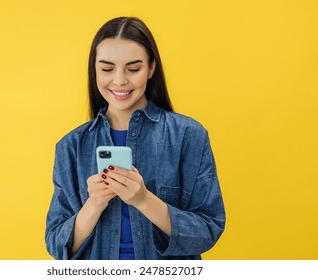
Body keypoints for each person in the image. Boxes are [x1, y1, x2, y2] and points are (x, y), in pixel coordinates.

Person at [45, 17, 225, 260]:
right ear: (94, 70)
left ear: (151, 68)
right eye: (107, 69)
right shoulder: (71, 146)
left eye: (133, 68)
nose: (119, 80)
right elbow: (57, 245)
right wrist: (94, 204)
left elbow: (207, 231)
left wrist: (143, 199)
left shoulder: (188, 136)